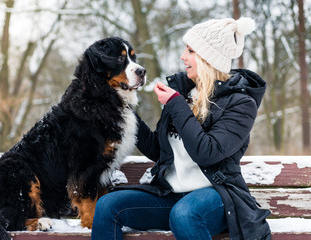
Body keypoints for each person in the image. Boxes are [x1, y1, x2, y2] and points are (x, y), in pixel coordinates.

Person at [91, 17, 271, 240]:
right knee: (109, 205)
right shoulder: (183, 93)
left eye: (190, 50)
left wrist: (175, 104)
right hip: (172, 195)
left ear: (208, 58)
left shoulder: (240, 103)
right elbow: (159, 150)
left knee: (185, 214)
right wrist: (122, 110)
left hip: (218, 197)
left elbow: (207, 153)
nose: (183, 56)